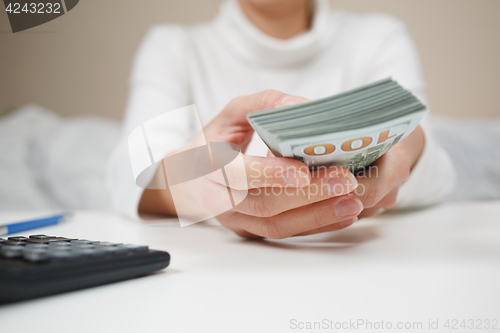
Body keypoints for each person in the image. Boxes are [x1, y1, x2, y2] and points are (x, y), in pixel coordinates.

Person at [107, 0, 455, 238]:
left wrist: (407, 150)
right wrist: (197, 185)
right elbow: (131, 173)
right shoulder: (174, 46)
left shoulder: (379, 38)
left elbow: (435, 166)